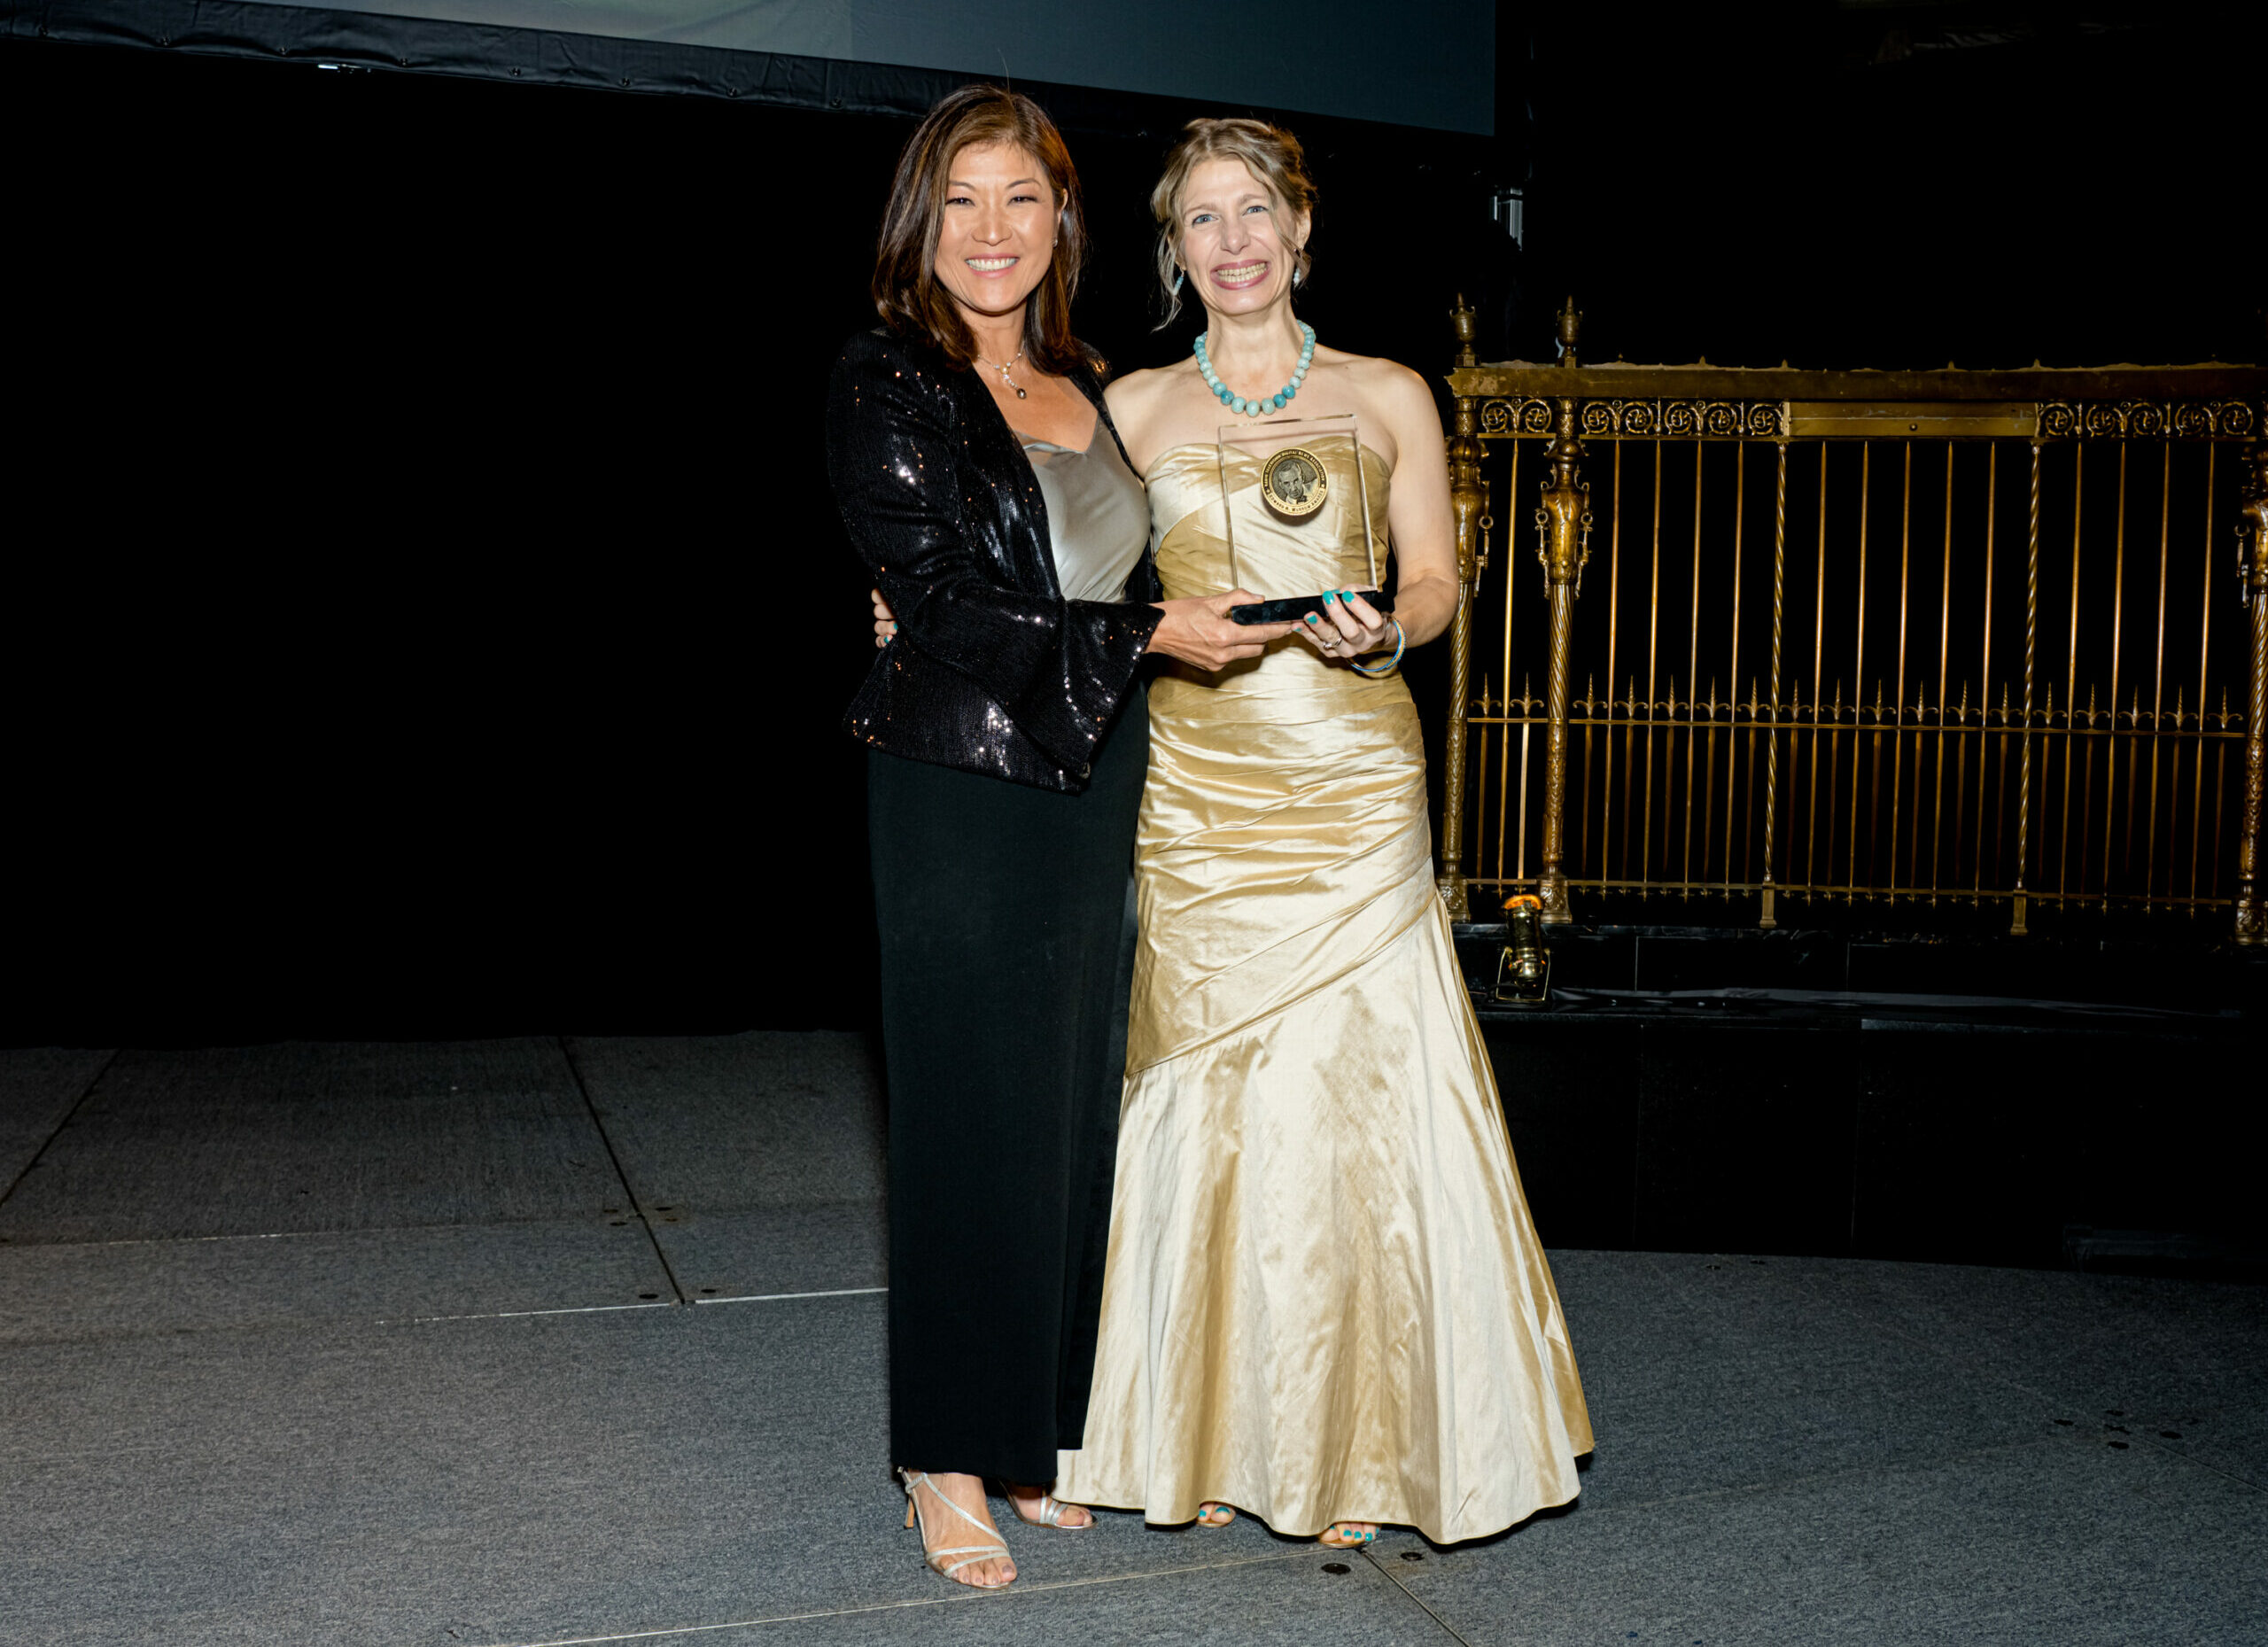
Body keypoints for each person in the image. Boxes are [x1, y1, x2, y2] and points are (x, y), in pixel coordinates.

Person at [1050, 118, 1595, 1548]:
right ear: (1174, 252)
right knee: (1208, 1098)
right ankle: (1200, 1434)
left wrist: (1384, 632)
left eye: (1254, 214)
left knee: (1360, 1095)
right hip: (1199, 791)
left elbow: (1435, 585)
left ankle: (1366, 1438)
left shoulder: (1387, 393)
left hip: (1352, 775)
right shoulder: (1134, 409)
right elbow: (1080, 597)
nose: (1233, 243)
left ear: (1299, 231)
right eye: (1202, 221)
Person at [826, 88, 1295, 1589]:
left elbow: (1143, 548)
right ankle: (940, 1453)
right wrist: (1148, 630)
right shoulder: (886, 377)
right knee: (965, 1114)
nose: (991, 231)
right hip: (960, 784)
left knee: (1065, 1108)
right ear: (922, 219)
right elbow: (944, 598)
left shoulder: (1092, 383)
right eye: (960, 200)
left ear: (1062, 222)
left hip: (1092, 775)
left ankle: (1027, 1425)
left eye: (1019, 199)